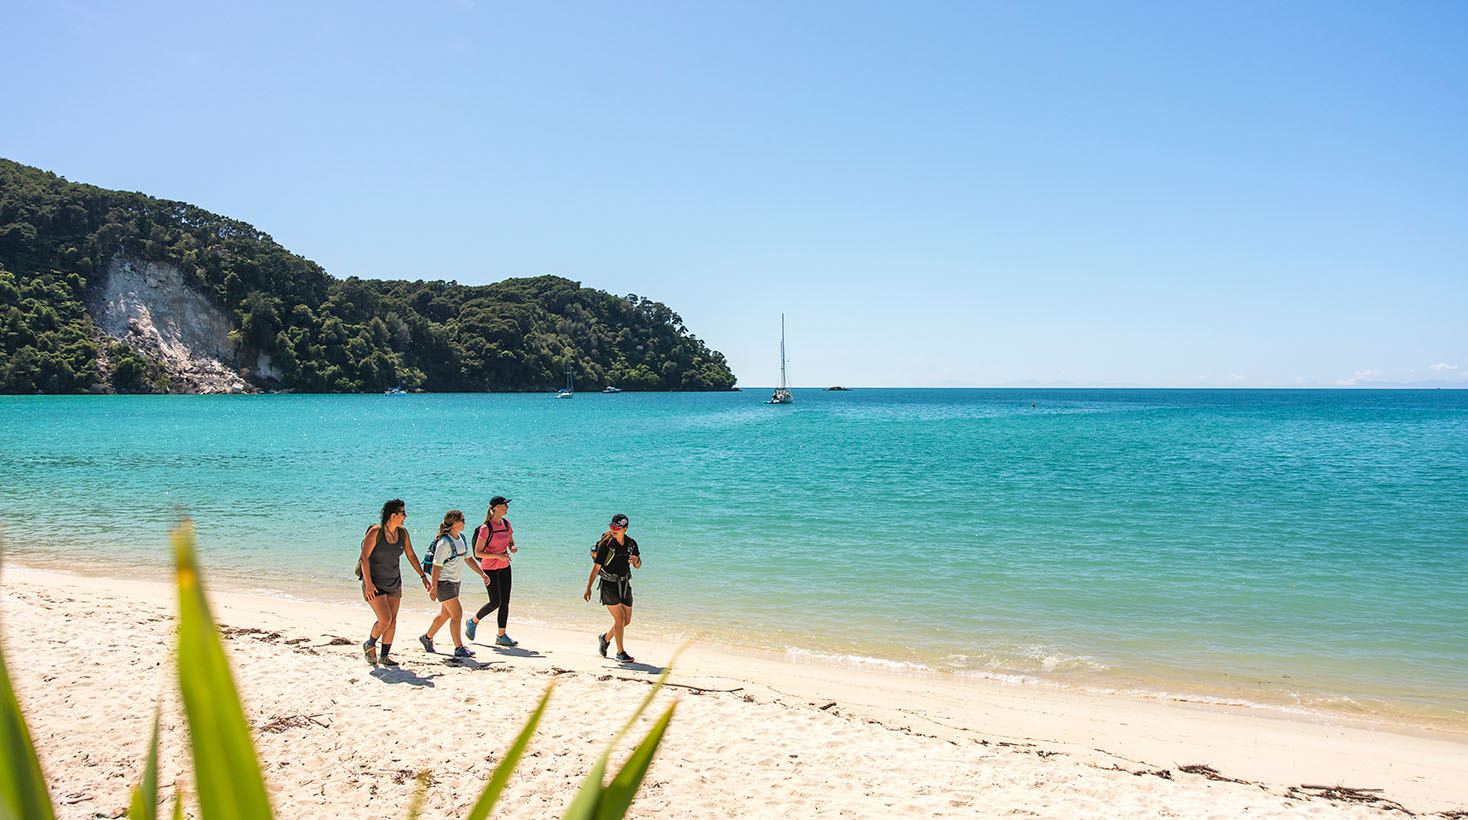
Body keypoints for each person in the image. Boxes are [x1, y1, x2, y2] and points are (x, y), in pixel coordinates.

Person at [359, 498, 430, 667]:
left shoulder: (402, 533)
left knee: (393, 620)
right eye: (402, 513)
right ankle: (370, 644)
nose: (405, 516)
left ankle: (384, 656)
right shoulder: (376, 532)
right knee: (385, 619)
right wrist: (368, 584)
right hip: (374, 582)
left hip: (394, 582)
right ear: (393, 515)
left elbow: (411, 555)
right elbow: (364, 558)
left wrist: (423, 576)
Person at [418, 509, 486, 659]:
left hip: (455, 582)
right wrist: (434, 587)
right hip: (444, 583)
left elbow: (468, 559)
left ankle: (427, 638)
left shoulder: (461, 538)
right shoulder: (444, 543)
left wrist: (481, 573)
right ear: (455, 523)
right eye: (462, 520)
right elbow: (436, 565)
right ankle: (459, 647)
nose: (464, 523)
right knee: (457, 614)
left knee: (445, 614)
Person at [583, 513, 641, 663]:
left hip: (625, 584)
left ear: (625, 529)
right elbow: (595, 568)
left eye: (617, 527)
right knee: (620, 619)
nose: (614, 529)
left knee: (626, 620)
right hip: (609, 585)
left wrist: (636, 561)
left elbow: (638, 565)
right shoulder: (606, 546)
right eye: (612, 527)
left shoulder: (631, 544)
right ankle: (620, 652)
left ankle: (605, 638)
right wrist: (588, 588)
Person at [466, 496, 519, 646]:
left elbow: (510, 541)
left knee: (505, 602)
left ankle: (501, 636)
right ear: (496, 507)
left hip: (505, 567)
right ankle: (473, 621)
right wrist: (497, 556)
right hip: (489, 568)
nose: (507, 508)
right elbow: (478, 553)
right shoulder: (486, 528)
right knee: (495, 602)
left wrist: (512, 547)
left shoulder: (506, 524)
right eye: (504, 505)